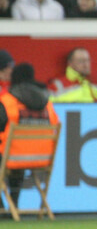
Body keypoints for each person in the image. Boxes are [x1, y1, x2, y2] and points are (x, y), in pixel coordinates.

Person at [0, 63, 60, 212]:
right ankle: (14, 203)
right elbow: (55, 124)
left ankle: (3, 206)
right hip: (41, 158)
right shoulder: (47, 104)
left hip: (12, 157)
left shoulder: (8, 102)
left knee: (10, 151)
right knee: (15, 153)